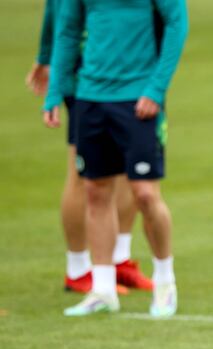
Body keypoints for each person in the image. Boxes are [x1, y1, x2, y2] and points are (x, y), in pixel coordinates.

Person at [43, 0, 189, 317]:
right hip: (90, 98)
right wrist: (55, 90)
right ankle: (103, 289)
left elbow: (178, 24)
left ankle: (165, 281)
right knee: (95, 191)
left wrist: (156, 88)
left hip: (139, 100)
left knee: (146, 194)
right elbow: (67, 31)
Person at [26, 0, 153, 296]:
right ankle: (79, 268)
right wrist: (46, 57)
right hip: (84, 73)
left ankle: (118, 257)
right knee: (85, 174)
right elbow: (56, 10)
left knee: (127, 167)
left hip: (127, 68)